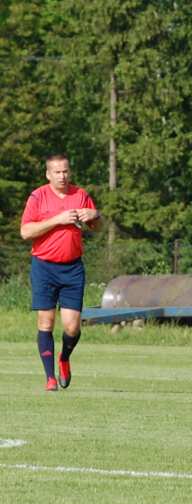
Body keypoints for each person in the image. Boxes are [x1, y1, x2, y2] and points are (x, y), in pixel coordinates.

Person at [20, 154, 101, 391]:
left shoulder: (81, 195)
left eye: (65, 171)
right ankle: (50, 378)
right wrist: (58, 219)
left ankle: (64, 358)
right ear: (48, 174)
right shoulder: (38, 196)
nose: (62, 176)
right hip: (44, 266)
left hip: (73, 268)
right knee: (46, 321)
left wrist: (95, 216)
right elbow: (25, 232)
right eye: (57, 172)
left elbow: (97, 226)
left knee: (72, 327)